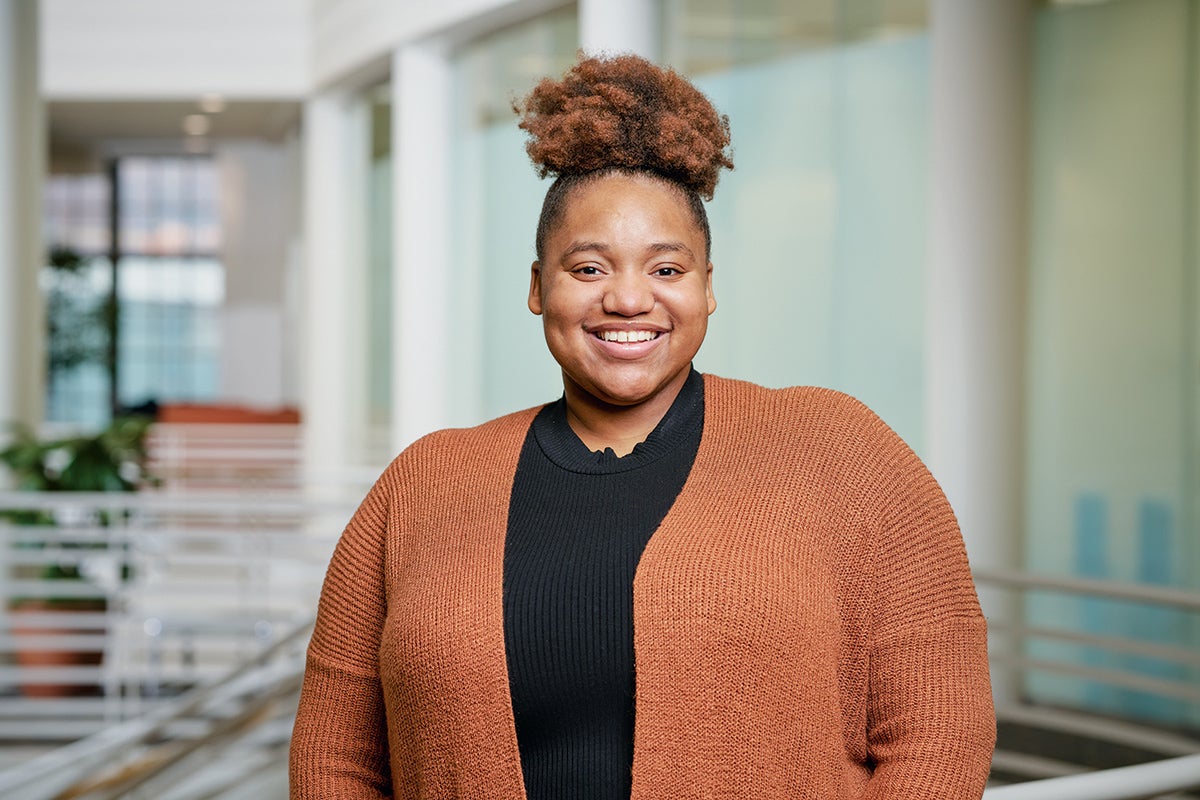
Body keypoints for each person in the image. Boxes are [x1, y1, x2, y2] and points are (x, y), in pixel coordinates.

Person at [289, 53, 995, 800]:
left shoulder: (837, 451)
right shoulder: (423, 485)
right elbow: (337, 757)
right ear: (538, 288)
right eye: (589, 269)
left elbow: (939, 725)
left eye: (666, 269)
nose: (629, 300)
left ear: (708, 288)